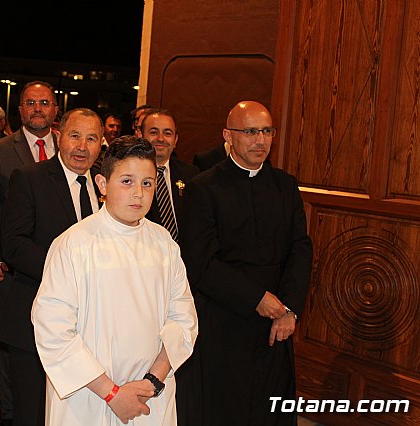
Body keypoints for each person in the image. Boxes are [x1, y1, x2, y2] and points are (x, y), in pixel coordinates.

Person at [32, 136, 198, 425]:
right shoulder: (73, 244)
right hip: (88, 397)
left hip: (149, 397)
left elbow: (183, 320)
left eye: (147, 183)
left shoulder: (164, 243)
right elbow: (53, 330)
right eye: (126, 181)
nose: (138, 193)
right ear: (102, 184)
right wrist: (112, 393)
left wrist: (152, 383)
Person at [179, 101, 313, 425]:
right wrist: (257, 299)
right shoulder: (204, 187)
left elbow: (300, 248)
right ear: (228, 135)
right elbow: (200, 263)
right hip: (225, 321)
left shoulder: (285, 185)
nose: (261, 140)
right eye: (251, 131)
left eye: (267, 131)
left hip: (277, 322)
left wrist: (290, 309)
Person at [0, 108, 103, 425]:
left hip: (91, 325)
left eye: (92, 138)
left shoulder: (107, 186)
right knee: (33, 412)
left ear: (102, 144)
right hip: (34, 320)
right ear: (59, 136)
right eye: (75, 136)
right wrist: (70, 273)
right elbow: (14, 245)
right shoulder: (29, 178)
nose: (82, 147)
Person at [0, 81, 59, 425]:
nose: (38, 108)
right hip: (15, 268)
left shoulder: (70, 147)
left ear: (56, 109)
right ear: (20, 110)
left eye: (45, 102)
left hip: (61, 267)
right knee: (13, 348)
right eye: (30, 103)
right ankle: (10, 414)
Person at [140, 109, 199, 242]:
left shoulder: (191, 175)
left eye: (167, 133)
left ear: (175, 140)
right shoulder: (130, 176)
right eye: (154, 132)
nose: (160, 139)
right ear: (141, 136)